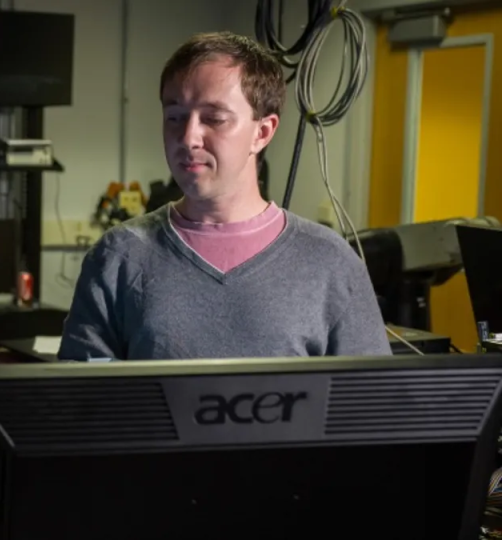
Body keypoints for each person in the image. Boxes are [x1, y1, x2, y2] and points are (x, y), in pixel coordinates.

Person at [59, 31, 389, 361]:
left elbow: (369, 392)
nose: (188, 138)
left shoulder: (329, 262)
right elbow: (83, 390)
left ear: (262, 132)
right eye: (175, 117)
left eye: (214, 119)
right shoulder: (119, 256)